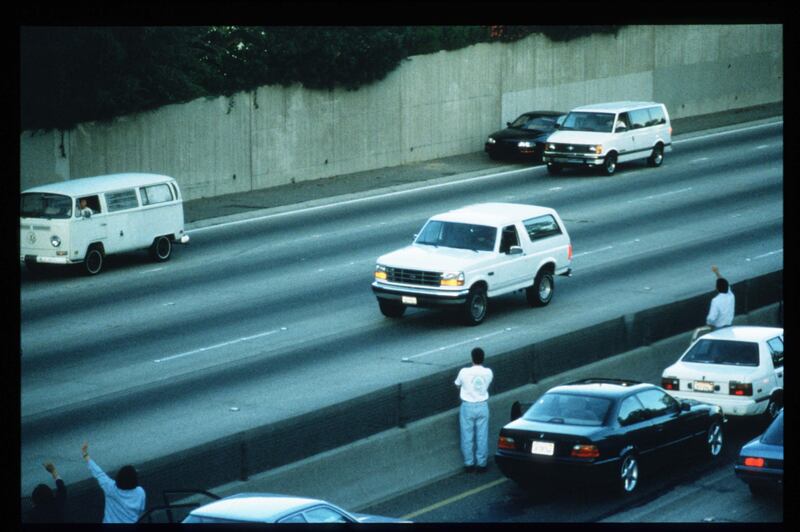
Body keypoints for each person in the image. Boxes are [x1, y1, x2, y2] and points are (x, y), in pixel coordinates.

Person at [82, 442, 146, 523]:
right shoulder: (140, 492)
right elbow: (141, 510)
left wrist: (85, 454)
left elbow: (98, 473)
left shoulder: (110, 488)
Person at [454, 347, 493, 473]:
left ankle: (469, 463)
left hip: (467, 406)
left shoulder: (464, 372)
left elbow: (457, 384)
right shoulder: (488, 372)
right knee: (482, 436)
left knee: (467, 436)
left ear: (472, 358)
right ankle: (481, 464)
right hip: (482, 405)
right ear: (483, 358)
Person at [692, 265, 736, 342]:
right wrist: (717, 272)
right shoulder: (731, 296)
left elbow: (711, 318)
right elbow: (725, 283)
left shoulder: (716, 300)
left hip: (718, 330)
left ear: (717, 288)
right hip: (729, 328)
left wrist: (708, 323)